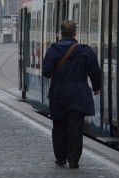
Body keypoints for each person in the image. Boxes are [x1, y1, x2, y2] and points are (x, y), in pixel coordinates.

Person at [41, 20, 102, 169]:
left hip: (59, 93)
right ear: (75, 33)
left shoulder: (53, 50)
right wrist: (96, 88)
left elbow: (46, 72)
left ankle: (60, 158)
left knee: (59, 126)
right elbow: (95, 72)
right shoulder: (85, 50)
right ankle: (74, 160)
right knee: (76, 128)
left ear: (60, 33)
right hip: (78, 94)